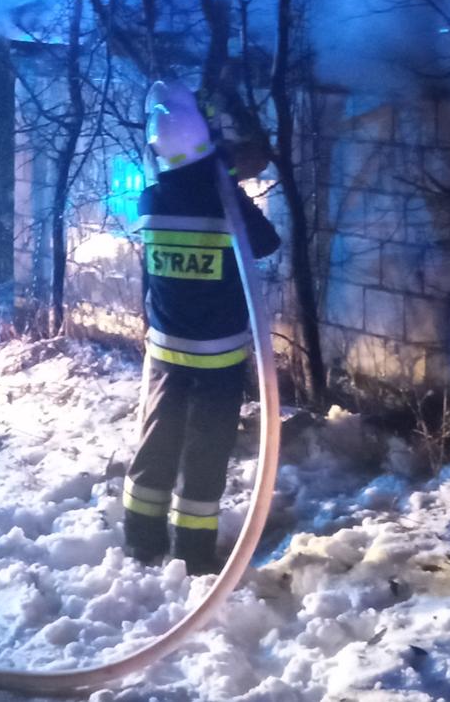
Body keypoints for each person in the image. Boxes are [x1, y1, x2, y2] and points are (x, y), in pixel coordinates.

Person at [121, 81, 281, 575]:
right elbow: (267, 242)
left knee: (157, 441)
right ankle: (192, 554)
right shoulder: (221, 203)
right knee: (206, 451)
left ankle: (141, 539)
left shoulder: (150, 202)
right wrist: (228, 179)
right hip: (217, 356)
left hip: (166, 349)